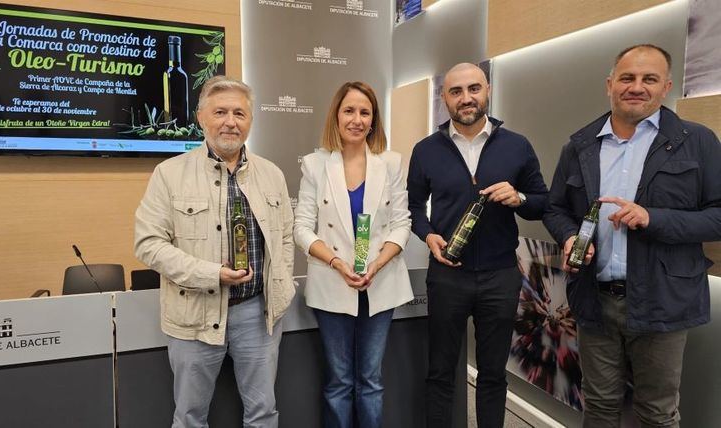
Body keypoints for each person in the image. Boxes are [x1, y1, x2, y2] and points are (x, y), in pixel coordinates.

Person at [543, 44, 721, 428]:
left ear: (667, 86)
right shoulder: (580, 145)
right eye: (627, 78)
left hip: (664, 300)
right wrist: (570, 237)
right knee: (600, 406)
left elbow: (718, 217)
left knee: (657, 413)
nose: (636, 87)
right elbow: (555, 209)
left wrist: (652, 218)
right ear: (610, 84)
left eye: (649, 79)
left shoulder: (698, 141)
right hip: (595, 299)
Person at [134, 75, 295, 428]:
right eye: (220, 111)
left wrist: (283, 286)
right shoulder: (169, 174)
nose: (230, 122)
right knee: (190, 417)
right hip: (194, 315)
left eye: (239, 113)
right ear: (201, 117)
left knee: (263, 414)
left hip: (258, 316)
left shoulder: (272, 175)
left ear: (250, 121)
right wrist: (212, 274)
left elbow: (285, 236)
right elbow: (148, 244)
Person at [407, 63, 548, 428]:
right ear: (444, 98)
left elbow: (542, 203)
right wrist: (427, 235)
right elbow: (412, 207)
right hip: (447, 275)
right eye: (456, 91)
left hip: (500, 276)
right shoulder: (425, 150)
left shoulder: (517, 146)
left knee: (492, 374)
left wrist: (519, 197)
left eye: (473, 89)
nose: (466, 98)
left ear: (487, 90)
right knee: (440, 371)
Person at [294, 81, 413, 428]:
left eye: (365, 112)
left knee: (371, 382)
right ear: (337, 115)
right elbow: (302, 227)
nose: (357, 119)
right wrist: (336, 262)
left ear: (373, 120)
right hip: (333, 282)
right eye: (349, 110)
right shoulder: (315, 165)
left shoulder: (391, 163)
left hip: (381, 281)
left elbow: (402, 224)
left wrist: (377, 262)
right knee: (339, 383)